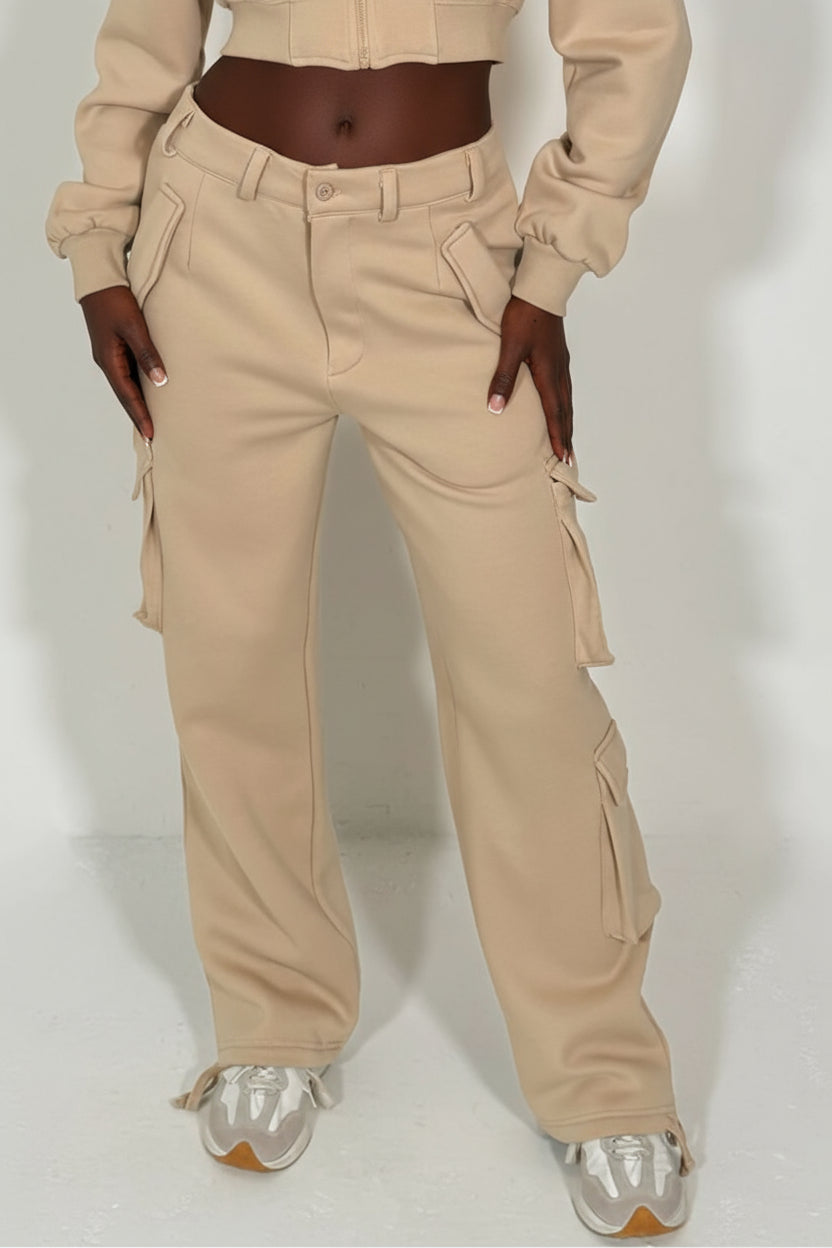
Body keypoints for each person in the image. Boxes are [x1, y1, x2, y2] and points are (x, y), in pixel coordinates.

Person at [46, 0, 695, 1236]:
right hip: (214, 242)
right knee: (229, 663)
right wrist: (98, 245)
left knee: (525, 685)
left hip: (451, 257)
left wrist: (549, 273)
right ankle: (270, 1020)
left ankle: (604, 1078)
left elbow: (629, 39)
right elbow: (149, 29)